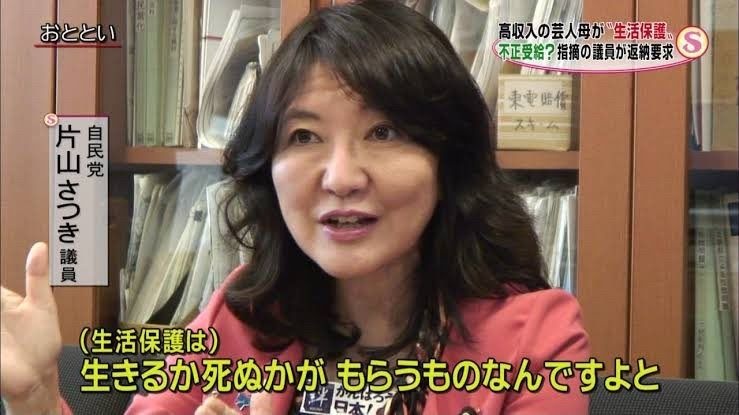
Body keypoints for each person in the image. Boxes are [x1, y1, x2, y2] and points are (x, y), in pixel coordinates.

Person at [0, 1, 590, 414]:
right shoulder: (241, 315)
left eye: (384, 132)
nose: (341, 177)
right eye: (304, 137)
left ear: (448, 161)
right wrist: (36, 399)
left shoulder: (533, 339)